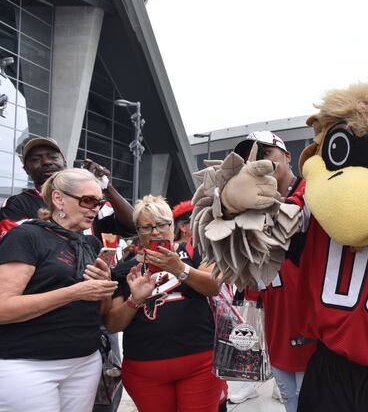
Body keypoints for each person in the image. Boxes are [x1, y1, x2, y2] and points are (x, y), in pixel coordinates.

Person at [0, 168, 118, 412]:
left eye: (100, 202)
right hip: (28, 364)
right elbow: (2, 308)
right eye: (87, 200)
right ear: (58, 199)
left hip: (85, 361)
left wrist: (104, 286)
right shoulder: (27, 236)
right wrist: (74, 292)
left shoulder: (91, 243)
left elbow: (101, 312)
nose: (95, 208)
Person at [103, 195, 224, 412]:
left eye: (161, 224)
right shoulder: (125, 268)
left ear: (172, 224)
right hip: (144, 367)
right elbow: (112, 324)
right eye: (147, 227)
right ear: (138, 231)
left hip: (199, 361)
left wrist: (180, 269)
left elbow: (213, 286)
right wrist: (135, 300)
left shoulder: (194, 250)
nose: (156, 232)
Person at [230, 131, 316, 412]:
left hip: (311, 328)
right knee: (290, 402)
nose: (257, 160)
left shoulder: (313, 192)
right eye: (249, 156)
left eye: (265, 151)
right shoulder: (247, 207)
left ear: (287, 155)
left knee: (310, 402)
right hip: (277, 325)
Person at [0, 137, 134, 236]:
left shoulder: (91, 200)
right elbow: (14, 240)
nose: (46, 162)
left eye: (53, 157)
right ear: (26, 170)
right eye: (36, 159)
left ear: (64, 162)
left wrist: (107, 187)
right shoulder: (18, 203)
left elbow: (134, 225)